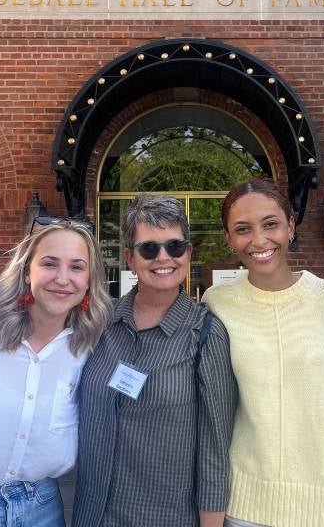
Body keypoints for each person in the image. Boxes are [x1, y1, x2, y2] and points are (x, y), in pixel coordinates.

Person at [201, 178, 324, 527]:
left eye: (271, 224)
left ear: (291, 226)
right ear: (229, 239)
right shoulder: (216, 303)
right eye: (243, 229)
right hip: (245, 506)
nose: (259, 240)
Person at [73, 194, 237, 527]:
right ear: (130, 258)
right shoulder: (99, 325)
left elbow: (215, 453)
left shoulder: (205, 334)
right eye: (149, 248)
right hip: (93, 516)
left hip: (164, 518)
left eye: (174, 246)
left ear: (188, 254)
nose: (163, 257)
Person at [0, 219, 112, 526]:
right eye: (50, 264)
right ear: (27, 271)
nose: (63, 279)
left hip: (43, 505)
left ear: (90, 279)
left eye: (77, 267)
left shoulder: (88, 346)